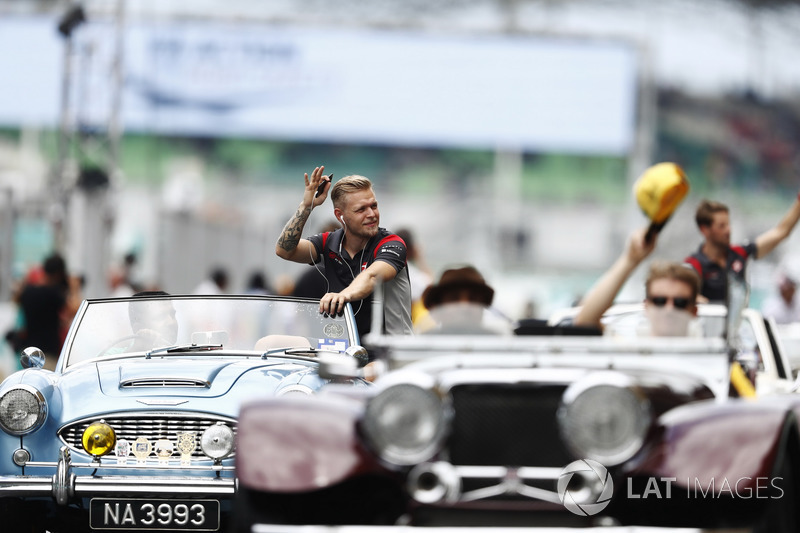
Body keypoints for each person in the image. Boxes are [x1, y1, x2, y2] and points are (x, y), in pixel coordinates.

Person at [275, 166, 413, 337]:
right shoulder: (328, 241)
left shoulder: (392, 243)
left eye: (374, 206)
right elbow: (284, 250)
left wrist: (343, 295)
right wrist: (306, 206)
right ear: (340, 216)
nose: (371, 214)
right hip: (343, 349)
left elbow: (371, 276)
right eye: (361, 209)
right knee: (269, 343)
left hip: (388, 354)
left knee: (368, 366)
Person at [574, 227, 701, 337]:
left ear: (694, 311)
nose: (669, 309)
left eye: (680, 303)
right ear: (646, 307)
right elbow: (586, 322)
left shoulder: (712, 353)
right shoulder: (632, 350)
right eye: (660, 301)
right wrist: (630, 259)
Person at [684, 197, 800, 302]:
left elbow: (780, 232)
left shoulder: (740, 253)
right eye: (721, 226)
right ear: (705, 230)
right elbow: (685, 295)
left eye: (728, 224)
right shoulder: (694, 265)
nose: (728, 230)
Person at [416, 265, 513, 335]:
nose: (464, 306)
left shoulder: (497, 343)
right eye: (454, 299)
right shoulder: (425, 344)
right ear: (437, 306)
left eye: (473, 299)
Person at [395, 227, 433, 324]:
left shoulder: (385, 271)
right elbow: (431, 289)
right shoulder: (414, 276)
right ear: (412, 249)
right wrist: (420, 259)